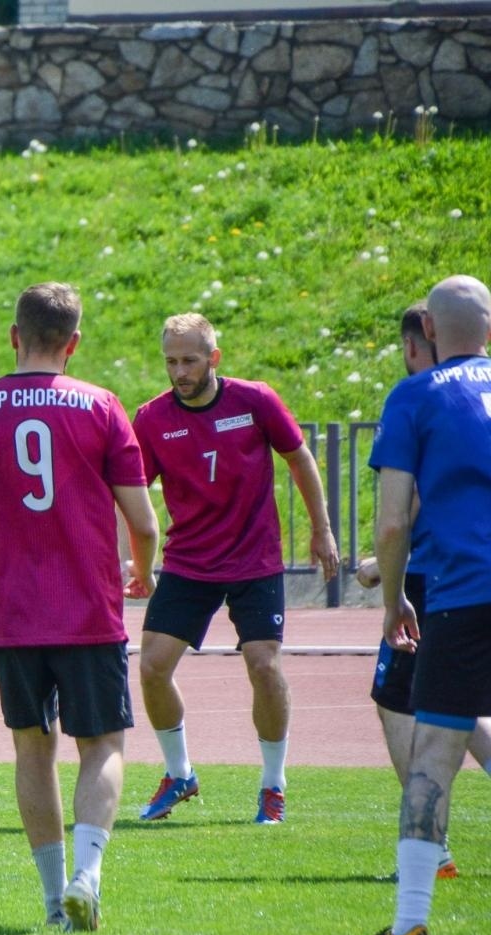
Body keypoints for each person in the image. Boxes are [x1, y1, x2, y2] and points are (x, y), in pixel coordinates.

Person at [0, 282, 158, 933]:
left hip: (10, 614)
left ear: (13, 336)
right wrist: (140, 569)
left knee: (32, 748)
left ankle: (55, 901)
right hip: (87, 609)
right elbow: (143, 518)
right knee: (103, 744)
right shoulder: (102, 407)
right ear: (73, 343)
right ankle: (90, 874)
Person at [131, 313, 341, 825]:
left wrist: (322, 529)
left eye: (189, 360)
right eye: (171, 361)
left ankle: (273, 786)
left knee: (264, 667)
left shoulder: (255, 400)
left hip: (254, 559)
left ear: (213, 359)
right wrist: (135, 559)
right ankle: (180, 773)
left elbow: (299, 459)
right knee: (153, 667)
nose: (179, 372)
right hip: (189, 560)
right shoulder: (152, 418)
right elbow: (131, 494)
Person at [364, 274, 491, 935]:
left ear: (431, 333)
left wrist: (392, 601)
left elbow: (391, 522)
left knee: (434, 761)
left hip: (463, 593)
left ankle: (410, 927)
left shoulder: (415, 395)